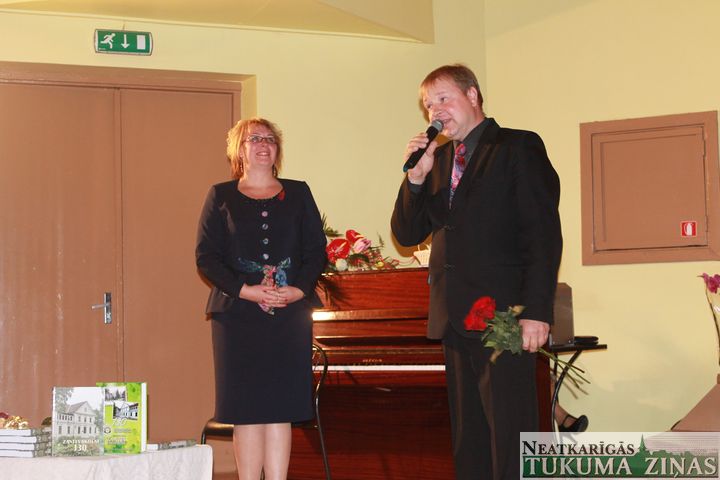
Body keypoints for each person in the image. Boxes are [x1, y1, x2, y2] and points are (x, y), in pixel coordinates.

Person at [391, 64, 562, 479]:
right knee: (469, 437)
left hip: (504, 314)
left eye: (443, 99)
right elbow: (407, 233)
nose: (435, 112)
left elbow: (542, 234)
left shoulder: (517, 147)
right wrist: (416, 179)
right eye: (428, 105)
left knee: (511, 431)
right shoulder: (437, 161)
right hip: (453, 314)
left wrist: (537, 311)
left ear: (472, 95)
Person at [196, 118, 327, 480]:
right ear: (239, 150)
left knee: (280, 408)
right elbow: (206, 257)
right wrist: (246, 290)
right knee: (247, 411)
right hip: (237, 317)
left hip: (289, 315)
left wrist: (299, 289)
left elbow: (316, 250)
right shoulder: (220, 195)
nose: (263, 144)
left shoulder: (299, 193)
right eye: (254, 139)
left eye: (270, 139)